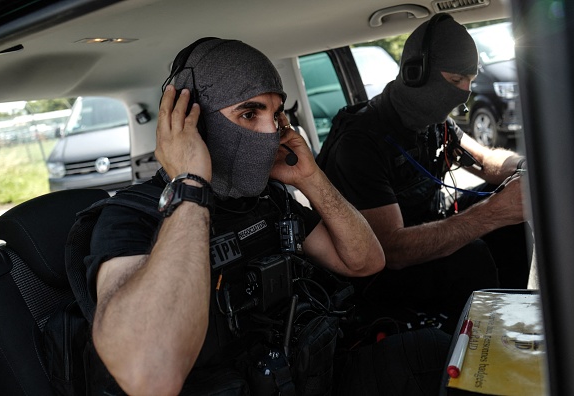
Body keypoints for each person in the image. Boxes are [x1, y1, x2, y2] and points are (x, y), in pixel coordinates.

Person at [66, 38, 387, 395]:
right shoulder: (130, 216)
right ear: (196, 123)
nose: (272, 133)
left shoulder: (268, 200)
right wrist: (190, 185)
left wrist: (311, 179)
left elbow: (365, 261)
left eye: (277, 114)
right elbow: (150, 374)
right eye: (250, 114)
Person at [316, 14, 533, 333]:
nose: (465, 92)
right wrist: (492, 213)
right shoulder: (359, 143)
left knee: (512, 227)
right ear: (415, 73)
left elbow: (485, 160)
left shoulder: (433, 123)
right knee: (471, 254)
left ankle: (515, 324)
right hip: (376, 277)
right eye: (457, 79)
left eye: (471, 81)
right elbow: (391, 250)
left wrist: (526, 170)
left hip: (420, 234)